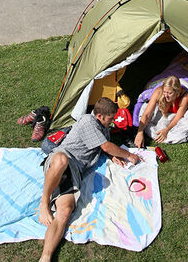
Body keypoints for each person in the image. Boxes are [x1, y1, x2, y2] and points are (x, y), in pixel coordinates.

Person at [38, 97, 141, 262]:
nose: (113, 122)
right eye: (111, 118)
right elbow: (105, 145)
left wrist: (111, 156)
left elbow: (103, 145)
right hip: (62, 157)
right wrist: (129, 155)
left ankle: (45, 257)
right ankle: (44, 203)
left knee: (65, 211)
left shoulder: (103, 127)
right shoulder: (88, 121)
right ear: (100, 116)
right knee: (61, 160)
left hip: (75, 172)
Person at [134, 75, 188, 148]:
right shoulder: (159, 92)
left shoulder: (184, 97)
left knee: (181, 133)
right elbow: (147, 114)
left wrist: (167, 130)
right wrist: (140, 132)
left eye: (170, 93)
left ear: (177, 92)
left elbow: (177, 118)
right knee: (143, 114)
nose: (166, 96)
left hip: (184, 86)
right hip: (164, 109)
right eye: (165, 92)